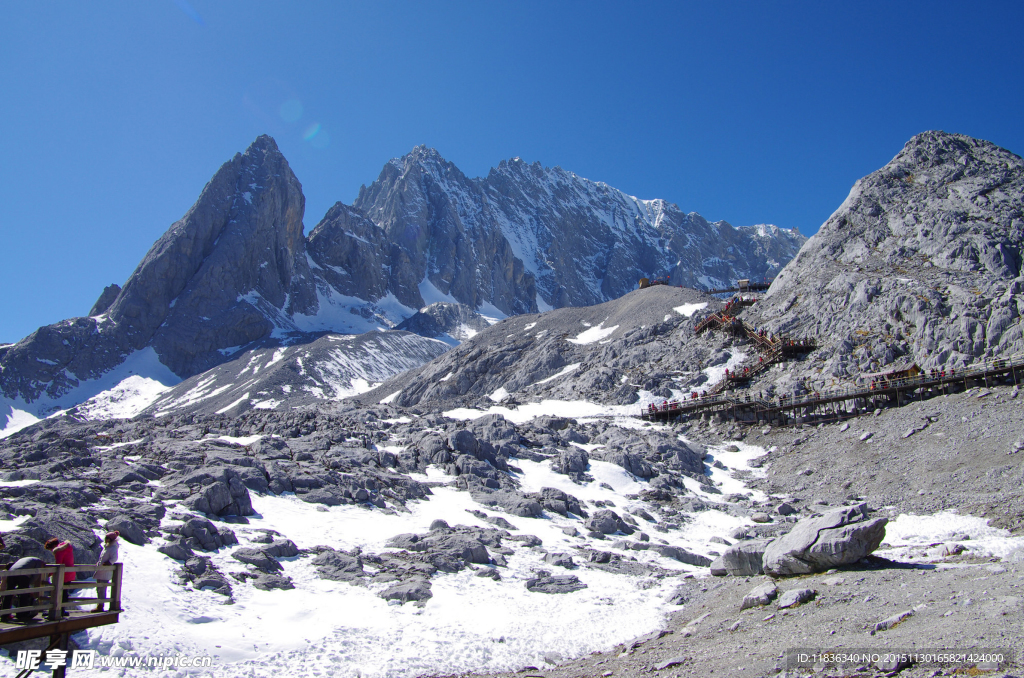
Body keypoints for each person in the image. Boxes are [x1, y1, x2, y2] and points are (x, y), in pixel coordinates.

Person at [1, 556, 46, 622]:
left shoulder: (24, 559)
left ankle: (4, 615)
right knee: (24, 594)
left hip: (11, 572)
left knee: (9, 594)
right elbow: (36, 574)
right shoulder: (39, 561)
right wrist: (29, 583)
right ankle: (22, 615)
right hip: (23, 574)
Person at [45, 537, 75, 616]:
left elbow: (58, 564)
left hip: (63, 574)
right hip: (69, 573)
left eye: (51, 548)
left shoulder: (59, 551)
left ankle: (57, 611)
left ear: (54, 545)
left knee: (58, 592)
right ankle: (62, 610)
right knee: (64, 592)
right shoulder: (66, 547)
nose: (51, 550)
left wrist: (50, 573)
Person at [94, 531, 119, 612]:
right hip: (101, 570)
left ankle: (100, 606)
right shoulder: (107, 547)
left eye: (107, 538)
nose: (106, 540)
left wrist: (108, 563)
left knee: (102, 589)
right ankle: (99, 604)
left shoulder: (112, 548)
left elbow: (114, 558)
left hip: (105, 572)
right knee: (99, 589)